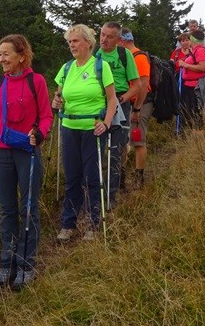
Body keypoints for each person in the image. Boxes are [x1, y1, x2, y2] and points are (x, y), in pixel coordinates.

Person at [0, 35, 53, 289]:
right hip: (2, 153)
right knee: (7, 210)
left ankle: (26, 265)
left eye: (6, 54)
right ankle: (7, 264)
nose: (2, 59)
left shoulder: (36, 80)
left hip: (27, 152)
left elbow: (46, 116)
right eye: (0, 54)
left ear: (21, 55)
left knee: (28, 208)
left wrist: (40, 133)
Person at [52, 24, 117, 242]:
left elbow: (111, 100)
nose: (72, 45)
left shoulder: (101, 66)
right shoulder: (66, 68)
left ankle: (93, 222)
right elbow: (59, 97)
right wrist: (57, 101)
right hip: (70, 128)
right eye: (70, 41)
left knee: (91, 177)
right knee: (72, 178)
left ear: (88, 43)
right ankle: (68, 223)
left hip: (92, 129)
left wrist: (106, 124)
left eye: (76, 41)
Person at [94, 22, 140, 205]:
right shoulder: (94, 55)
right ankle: (95, 193)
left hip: (120, 102)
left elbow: (137, 85)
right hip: (99, 103)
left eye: (109, 36)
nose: (104, 39)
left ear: (118, 39)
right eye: (102, 35)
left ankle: (110, 197)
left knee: (116, 151)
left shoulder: (124, 54)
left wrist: (121, 100)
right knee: (97, 149)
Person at [120, 28, 151, 191]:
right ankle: (121, 175)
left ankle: (139, 177)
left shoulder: (138, 58)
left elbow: (144, 85)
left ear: (122, 41)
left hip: (141, 103)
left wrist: (137, 109)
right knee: (124, 140)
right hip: (128, 103)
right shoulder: (127, 56)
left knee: (137, 140)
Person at [176, 33, 205, 130]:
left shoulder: (200, 50)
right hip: (188, 85)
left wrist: (185, 65)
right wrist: (188, 57)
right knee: (188, 110)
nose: (187, 41)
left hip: (195, 86)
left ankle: (197, 136)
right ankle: (189, 133)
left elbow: (203, 67)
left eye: (189, 39)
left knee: (196, 110)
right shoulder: (194, 51)